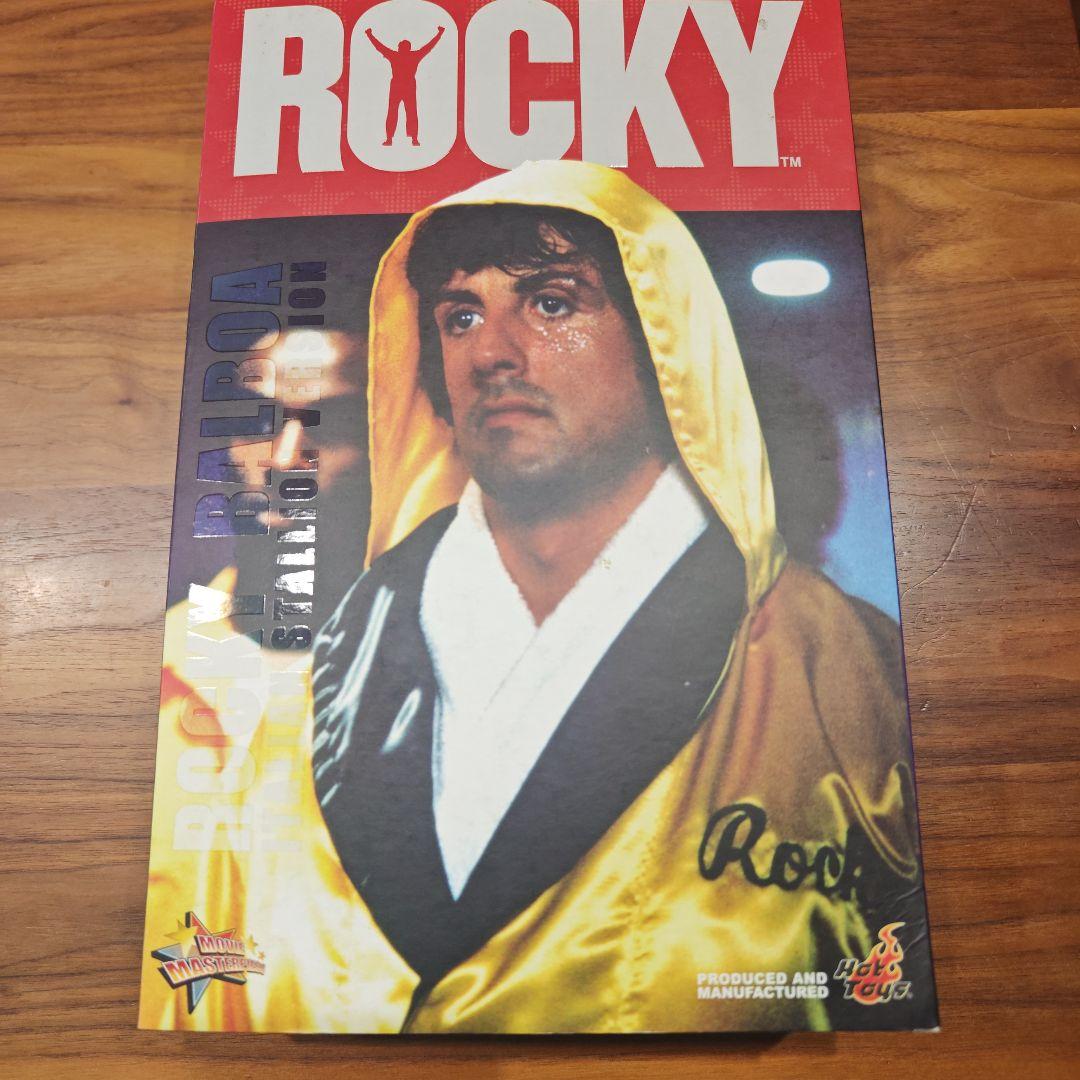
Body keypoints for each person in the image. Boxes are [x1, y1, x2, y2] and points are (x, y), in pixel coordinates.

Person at [141, 161, 934, 1034]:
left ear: (664, 339)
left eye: (553, 303)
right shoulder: (292, 663)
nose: (491, 351)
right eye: (460, 315)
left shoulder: (843, 669)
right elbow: (199, 982)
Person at [364, 25, 445, 146]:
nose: (398, 49)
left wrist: (370, 35)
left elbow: (379, 47)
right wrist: (439, 34)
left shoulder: (395, 55)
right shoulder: (414, 56)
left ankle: (391, 139)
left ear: (400, 48)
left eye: (399, 47)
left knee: (395, 112)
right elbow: (429, 46)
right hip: (407, 86)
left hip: (398, 86)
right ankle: (413, 139)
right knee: (410, 112)